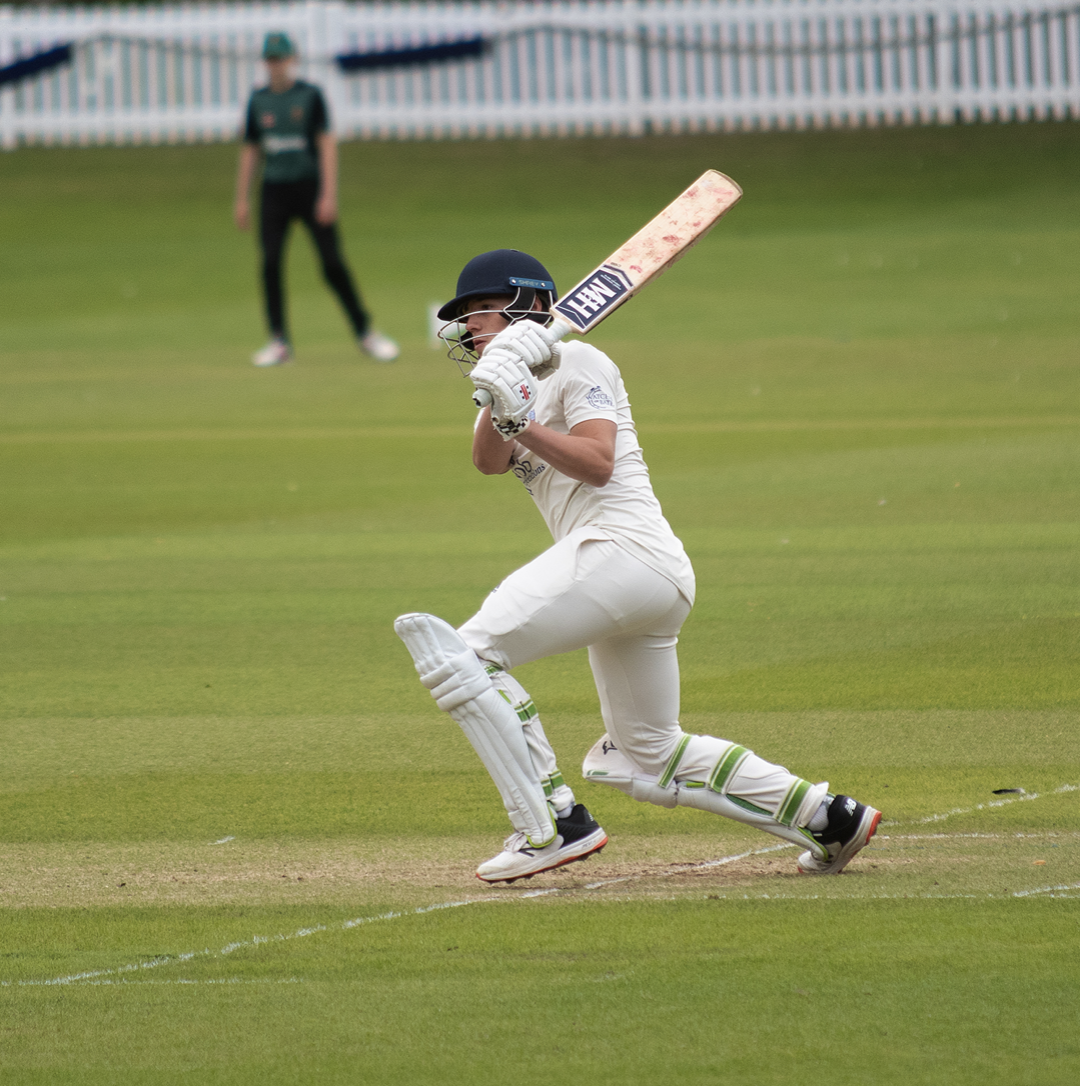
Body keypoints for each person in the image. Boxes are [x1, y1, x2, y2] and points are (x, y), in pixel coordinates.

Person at [394, 249, 881, 884]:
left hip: (621, 550)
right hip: (638, 577)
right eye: (466, 317)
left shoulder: (580, 360)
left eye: (482, 310)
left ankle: (554, 824)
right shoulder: (511, 380)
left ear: (529, 305)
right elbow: (489, 462)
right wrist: (499, 399)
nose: (471, 327)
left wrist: (523, 419)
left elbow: (597, 461)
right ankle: (830, 819)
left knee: (469, 655)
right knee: (646, 754)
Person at [234, 31, 398, 367]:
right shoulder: (258, 100)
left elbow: (325, 145)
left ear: (292, 60)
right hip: (273, 190)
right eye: (270, 59)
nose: (276, 65)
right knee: (270, 264)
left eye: (280, 58)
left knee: (331, 264)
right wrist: (242, 198)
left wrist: (328, 194)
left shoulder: (310, 96)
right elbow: (251, 150)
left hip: (309, 188)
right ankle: (278, 341)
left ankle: (365, 332)